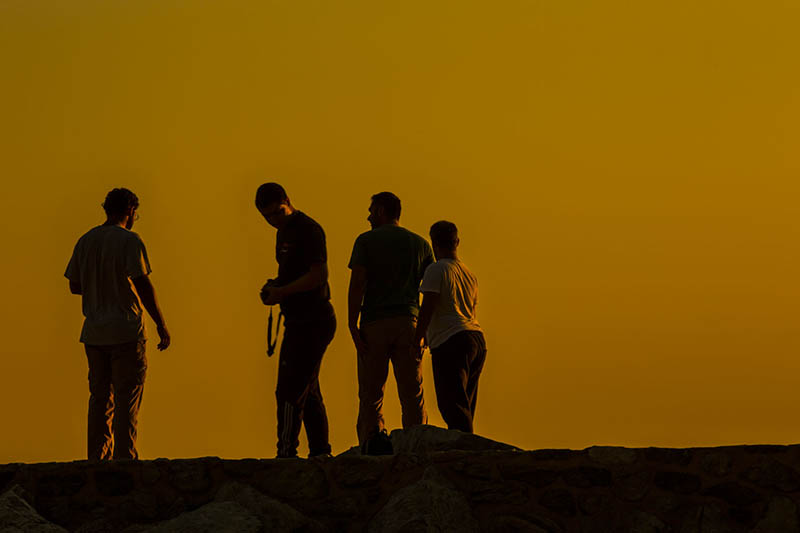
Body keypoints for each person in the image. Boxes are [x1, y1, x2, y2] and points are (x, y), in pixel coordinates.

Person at [65, 188, 170, 461]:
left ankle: (97, 458)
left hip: (94, 331)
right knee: (127, 398)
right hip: (125, 329)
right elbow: (142, 283)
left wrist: (99, 283)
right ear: (131, 211)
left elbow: (74, 285)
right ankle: (125, 457)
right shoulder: (129, 241)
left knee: (100, 398)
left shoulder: (85, 241)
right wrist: (160, 323)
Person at [348, 192, 434, 453]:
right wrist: (425, 330)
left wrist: (353, 323)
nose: (368, 216)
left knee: (371, 392)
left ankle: (371, 445)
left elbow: (358, 284)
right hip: (409, 322)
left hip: (375, 322)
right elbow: (430, 292)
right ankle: (416, 443)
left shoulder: (365, 241)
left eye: (372, 211)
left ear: (383, 211)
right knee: (412, 391)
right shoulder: (420, 245)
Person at [255, 183, 336, 458]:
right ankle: (320, 452)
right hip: (297, 318)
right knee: (308, 388)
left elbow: (318, 275)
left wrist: (282, 292)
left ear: (288, 201)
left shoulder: (308, 230)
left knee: (290, 388)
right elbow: (293, 274)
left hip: (313, 319)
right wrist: (275, 286)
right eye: (267, 217)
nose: (273, 221)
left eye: (277, 213)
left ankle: (286, 450)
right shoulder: (284, 233)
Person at [414, 221, 486, 433]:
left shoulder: (436, 269)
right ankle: (467, 440)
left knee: (451, 402)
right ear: (457, 242)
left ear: (434, 243)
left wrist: (417, 338)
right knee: (466, 402)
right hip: (475, 338)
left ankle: (463, 448)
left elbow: (428, 305)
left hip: (451, 340)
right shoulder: (468, 274)